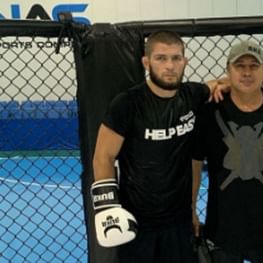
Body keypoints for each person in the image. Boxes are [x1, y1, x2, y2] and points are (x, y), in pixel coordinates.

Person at [91, 30, 227, 263]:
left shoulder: (192, 95)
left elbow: (219, 84)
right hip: (136, 221)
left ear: (185, 61)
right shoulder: (127, 103)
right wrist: (108, 209)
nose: (170, 66)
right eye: (161, 58)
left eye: (176, 58)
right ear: (146, 62)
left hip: (179, 220)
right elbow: (103, 156)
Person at [191, 40, 263, 263]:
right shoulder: (210, 112)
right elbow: (195, 163)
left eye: (254, 66)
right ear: (228, 70)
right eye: (240, 66)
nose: (247, 72)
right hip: (223, 229)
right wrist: (191, 208)